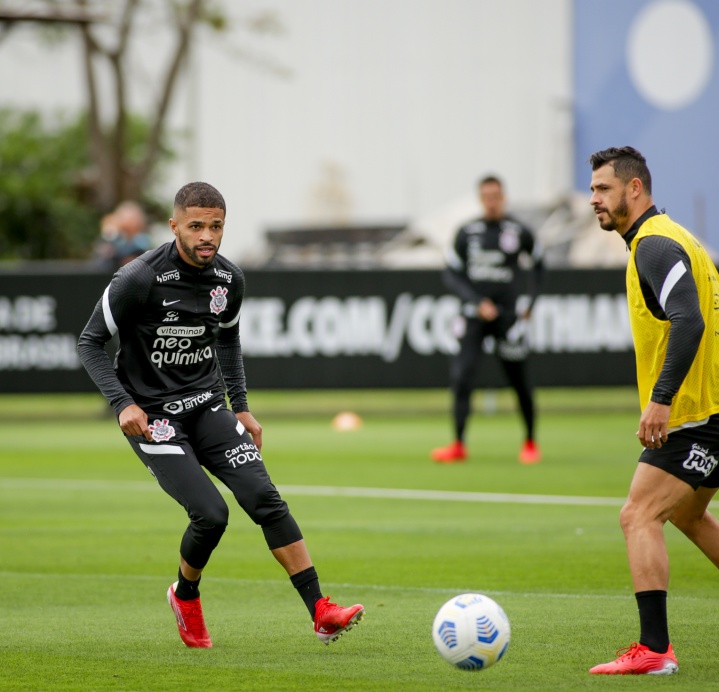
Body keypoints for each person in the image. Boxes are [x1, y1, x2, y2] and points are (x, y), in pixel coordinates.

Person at [77, 182, 364, 649]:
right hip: (153, 416)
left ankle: (320, 611)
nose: (207, 236)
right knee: (211, 515)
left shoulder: (230, 280)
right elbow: (89, 342)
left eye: (216, 226)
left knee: (264, 498)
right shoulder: (139, 277)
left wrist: (242, 409)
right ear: (174, 227)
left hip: (207, 405)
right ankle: (185, 595)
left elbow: (227, 340)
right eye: (196, 226)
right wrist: (122, 403)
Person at [585, 147, 719, 675]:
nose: (595, 200)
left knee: (638, 514)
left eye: (604, 189)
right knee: (685, 512)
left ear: (636, 189)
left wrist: (660, 401)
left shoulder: (654, 244)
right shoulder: (671, 238)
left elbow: (689, 321)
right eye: (592, 190)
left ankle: (654, 649)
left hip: (705, 409)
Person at [431, 175, 546, 464]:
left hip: (508, 318)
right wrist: (475, 301)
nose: (492, 201)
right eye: (487, 196)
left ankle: (530, 442)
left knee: (518, 379)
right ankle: (458, 443)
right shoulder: (467, 232)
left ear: (503, 197)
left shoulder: (518, 231)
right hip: (474, 316)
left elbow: (539, 266)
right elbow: (451, 274)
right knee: (462, 377)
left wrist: (530, 302)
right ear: (480, 199)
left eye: (496, 196)